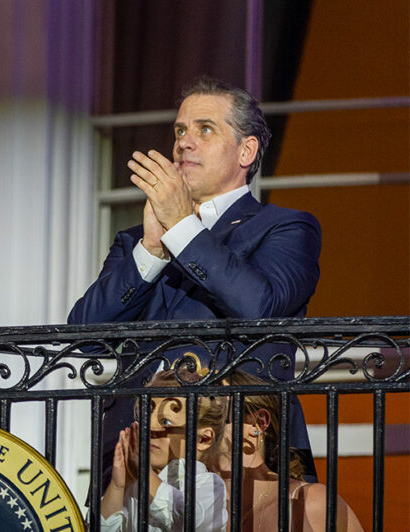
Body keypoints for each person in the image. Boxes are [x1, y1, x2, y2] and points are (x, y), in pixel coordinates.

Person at [68, 76, 321, 489]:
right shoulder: (135, 240)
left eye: (205, 129)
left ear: (246, 150)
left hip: (237, 459)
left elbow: (261, 307)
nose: (184, 142)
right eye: (180, 131)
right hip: (135, 465)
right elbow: (85, 337)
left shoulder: (287, 227)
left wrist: (182, 228)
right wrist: (152, 248)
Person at [218, 371, 364, 531]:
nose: (201, 423)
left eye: (215, 413)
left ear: (258, 423)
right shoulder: (199, 506)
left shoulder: (309, 502)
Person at [100, 368, 229, 531]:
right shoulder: (134, 485)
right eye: (146, 418)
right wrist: (118, 485)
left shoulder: (209, 484)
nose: (150, 428)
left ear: (203, 439)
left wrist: (143, 473)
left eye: (166, 422)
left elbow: (188, 520)